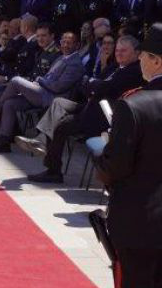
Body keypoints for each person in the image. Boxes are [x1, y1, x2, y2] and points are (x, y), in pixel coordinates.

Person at [95, 24, 162, 288]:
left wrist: (103, 155)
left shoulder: (133, 104)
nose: (140, 64)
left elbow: (114, 168)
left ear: (154, 60)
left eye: (145, 58)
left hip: (138, 220)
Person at [24, 34, 143, 182]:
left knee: (61, 125)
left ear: (137, 53)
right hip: (88, 105)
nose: (118, 53)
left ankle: (53, 170)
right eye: (117, 50)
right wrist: (93, 86)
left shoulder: (134, 71)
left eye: (123, 51)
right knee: (59, 103)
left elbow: (106, 87)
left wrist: (93, 85)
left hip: (101, 117)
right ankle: (41, 140)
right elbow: (86, 84)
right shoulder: (115, 66)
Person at [0, 30, 84, 153]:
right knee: (9, 103)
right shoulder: (61, 58)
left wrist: (39, 80)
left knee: (16, 81)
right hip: (41, 92)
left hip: (52, 98)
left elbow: (59, 87)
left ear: (77, 45)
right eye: (63, 42)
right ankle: (3, 142)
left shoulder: (75, 64)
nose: (65, 45)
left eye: (69, 43)